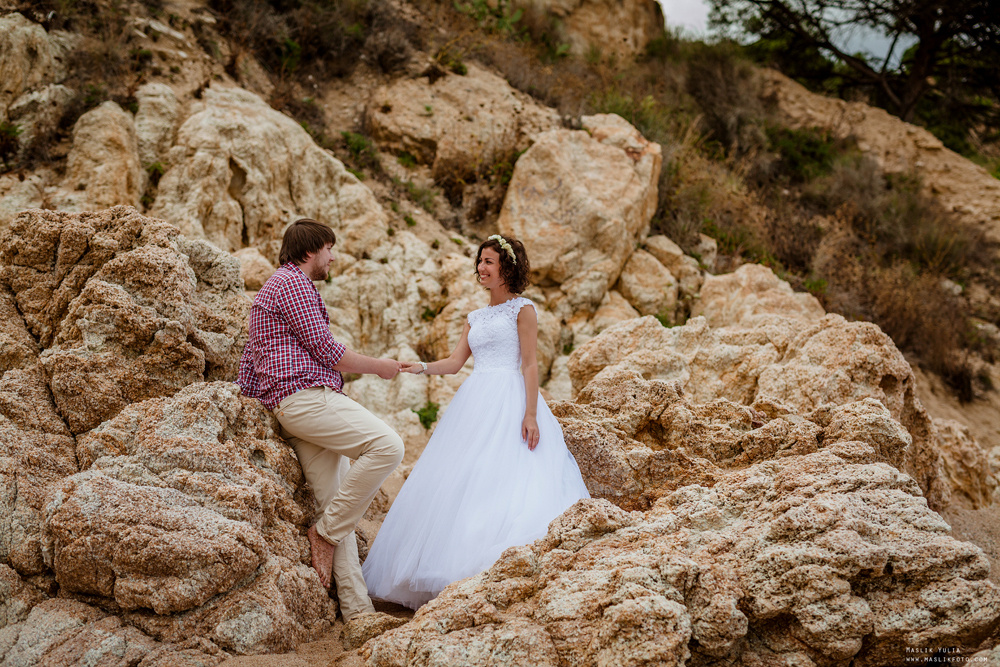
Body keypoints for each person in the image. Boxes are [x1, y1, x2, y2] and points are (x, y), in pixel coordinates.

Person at [362, 234, 591, 609]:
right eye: (480, 261)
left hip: (510, 398)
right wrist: (417, 367)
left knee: (504, 477)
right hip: (475, 399)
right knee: (461, 479)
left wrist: (531, 413)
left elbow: (530, 363)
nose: (481, 268)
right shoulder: (476, 317)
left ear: (507, 268)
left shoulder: (524, 309)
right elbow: (454, 363)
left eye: (489, 261)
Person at [236, 218, 404, 622]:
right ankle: (323, 534)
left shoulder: (274, 287)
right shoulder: (293, 283)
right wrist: (381, 366)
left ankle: (359, 614)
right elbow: (329, 352)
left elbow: (251, 361)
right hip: (307, 401)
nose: (334, 256)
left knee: (336, 504)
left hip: (294, 408)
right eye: (329, 248)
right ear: (310, 251)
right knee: (388, 446)